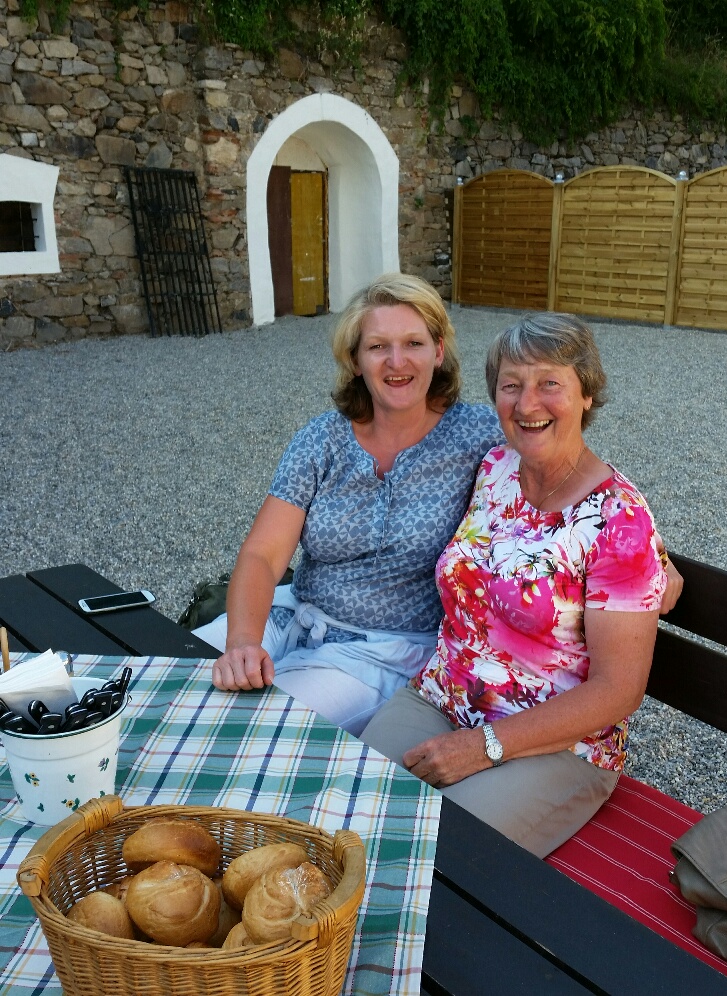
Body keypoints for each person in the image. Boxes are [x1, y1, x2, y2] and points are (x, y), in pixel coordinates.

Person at [361, 312, 669, 857]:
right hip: (439, 698)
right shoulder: (495, 469)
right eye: (511, 385)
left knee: (436, 856)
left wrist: (483, 745)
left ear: (586, 394)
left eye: (549, 383)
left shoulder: (620, 520)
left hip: (557, 745)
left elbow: (619, 689)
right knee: (344, 807)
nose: (527, 404)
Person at [194, 273, 502, 735]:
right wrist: (242, 642)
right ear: (355, 360)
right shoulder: (323, 437)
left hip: (384, 652)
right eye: (378, 346)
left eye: (413, 343)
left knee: (251, 728)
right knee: (159, 676)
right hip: (291, 615)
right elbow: (264, 554)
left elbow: (561, 473)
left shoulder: (480, 436)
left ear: (438, 351)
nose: (396, 361)